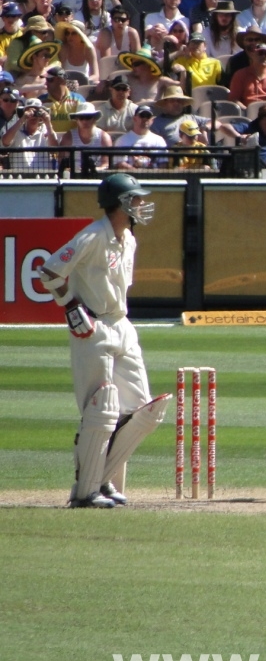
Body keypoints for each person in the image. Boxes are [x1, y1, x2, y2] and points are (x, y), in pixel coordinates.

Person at [37, 173, 170, 508]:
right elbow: (50, 270)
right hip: (93, 326)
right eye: (136, 199)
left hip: (122, 323)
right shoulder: (93, 235)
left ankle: (102, 478)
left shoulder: (129, 239)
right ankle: (86, 492)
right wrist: (70, 306)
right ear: (121, 203)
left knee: (144, 410)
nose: (141, 204)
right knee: (101, 408)